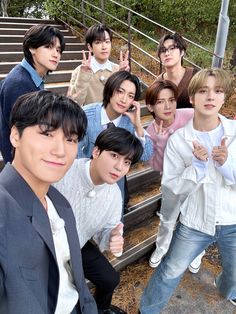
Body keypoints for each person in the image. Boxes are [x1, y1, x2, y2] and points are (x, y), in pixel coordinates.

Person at [140, 68, 236, 313]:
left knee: (234, 272)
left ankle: (226, 287)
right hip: (194, 220)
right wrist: (196, 168)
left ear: (225, 98)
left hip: (232, 219)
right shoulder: (179, 139)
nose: (210, 97)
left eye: (217, 91)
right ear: (192, 98)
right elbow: (170, 186)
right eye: (203, 91)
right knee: (171, 269)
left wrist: (225, 166)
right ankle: (147, 310)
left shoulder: (234, 134)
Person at [0, 90, 98, 314]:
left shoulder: (58, 201)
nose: (60, 151)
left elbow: (74, 280)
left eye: (71, 139)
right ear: (15, 135)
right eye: (46, 133)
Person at [54, 127, 143, 314]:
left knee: (110, 279)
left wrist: (111, 236)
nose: (120, 167)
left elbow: (109, 228)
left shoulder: (114, 195)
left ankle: (101, 310)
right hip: (48, 244)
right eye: (114, 156)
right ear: (96, 151)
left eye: (126, 162)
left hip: (78, 244)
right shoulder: (66, 171)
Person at [146, 80, 205, 273]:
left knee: (197, 216)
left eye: (171, 100)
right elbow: (155, 165)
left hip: (196, 179)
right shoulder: (150, 132)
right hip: (171, 183)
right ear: (151, 106)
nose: (168, 106)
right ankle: (162, 248)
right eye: (161, 101)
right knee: (168, 219)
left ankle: (197, 253)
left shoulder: (189, 115)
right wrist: (162, 143)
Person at [77, 70, 153, 211]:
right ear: (110, 89)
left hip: (114, 185)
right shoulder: (86, 114)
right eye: (120, 91)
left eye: (130, 96)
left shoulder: (130, 123)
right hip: (85, 180)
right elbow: (76, 151)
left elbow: (146, 155)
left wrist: (137, 125)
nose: (124, 99)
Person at [0, 24, 65, 163]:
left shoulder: (32, 78)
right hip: (22, 165)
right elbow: (21, 135)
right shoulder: (19, 84)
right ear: (32, 48)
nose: (56, 54)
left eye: (58, 50)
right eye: (48, 47)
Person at [69, 23, 129, 106]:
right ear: (90, 47)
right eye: (98, 42)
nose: (104, 47)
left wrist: (122, 75)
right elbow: (75, 103)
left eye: (107, 42)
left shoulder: (117, 69)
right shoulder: (79, 71)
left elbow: (124, 100)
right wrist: (83, 75)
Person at [156, 32, 198, 108]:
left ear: (182, 52)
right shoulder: (158, 83)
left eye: (172, 48)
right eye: (163, 50)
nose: (167, 53)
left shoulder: (196, 76)